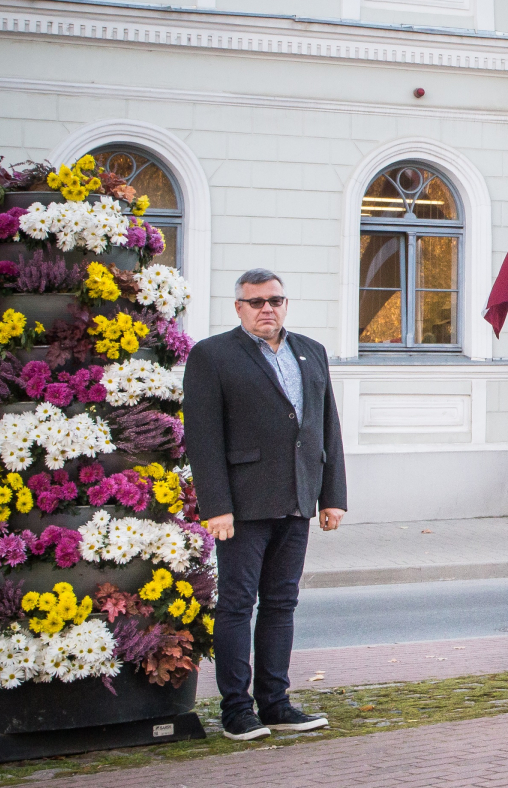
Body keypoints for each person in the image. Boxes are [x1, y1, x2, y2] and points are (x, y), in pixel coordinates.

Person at [183, 268, 348, 741]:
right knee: (237, 604)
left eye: (274, 300)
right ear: (239, 308)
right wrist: (216, 505)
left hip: (297, 499)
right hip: (242, 506)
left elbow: (326, 426)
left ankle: (275, 703)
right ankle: (236, 710)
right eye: (256, 302)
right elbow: (203, 438)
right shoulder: (212, 355)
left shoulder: (311, 351)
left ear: (285, 304)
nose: (266, 309)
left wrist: (332, 496)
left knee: (281, 603)